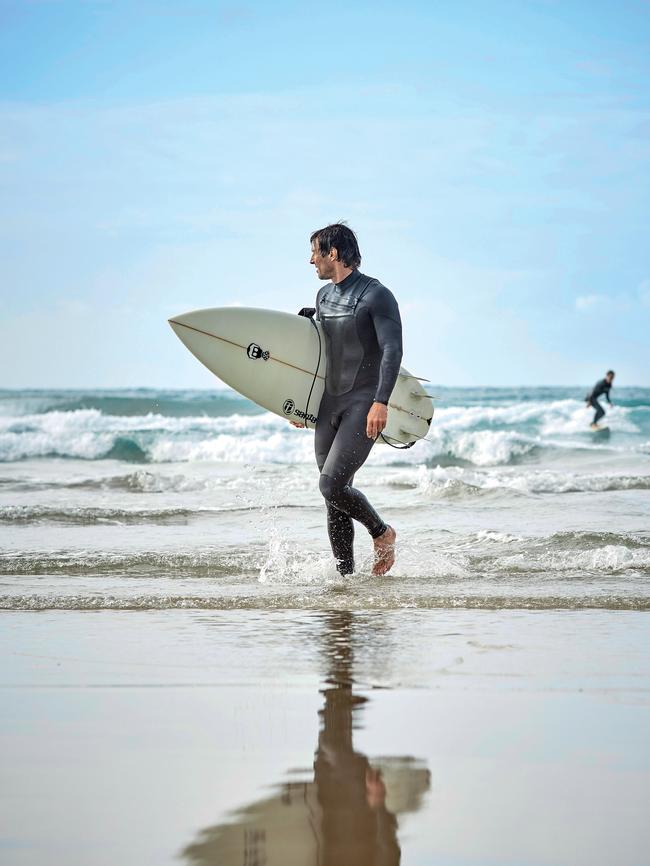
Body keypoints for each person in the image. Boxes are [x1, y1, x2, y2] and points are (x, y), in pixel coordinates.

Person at [293, 223, 402, 577]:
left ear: (333, 253)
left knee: (331, 484)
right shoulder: (323, 297)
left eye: (315, 252)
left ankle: (382, 533)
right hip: (329, 403)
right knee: (334, 496)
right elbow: (323, 352)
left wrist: (381, 401)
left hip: (362, 402)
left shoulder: (376, 295)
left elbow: (392, 350)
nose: (311, 260)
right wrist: (296, 402)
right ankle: (346, 582)